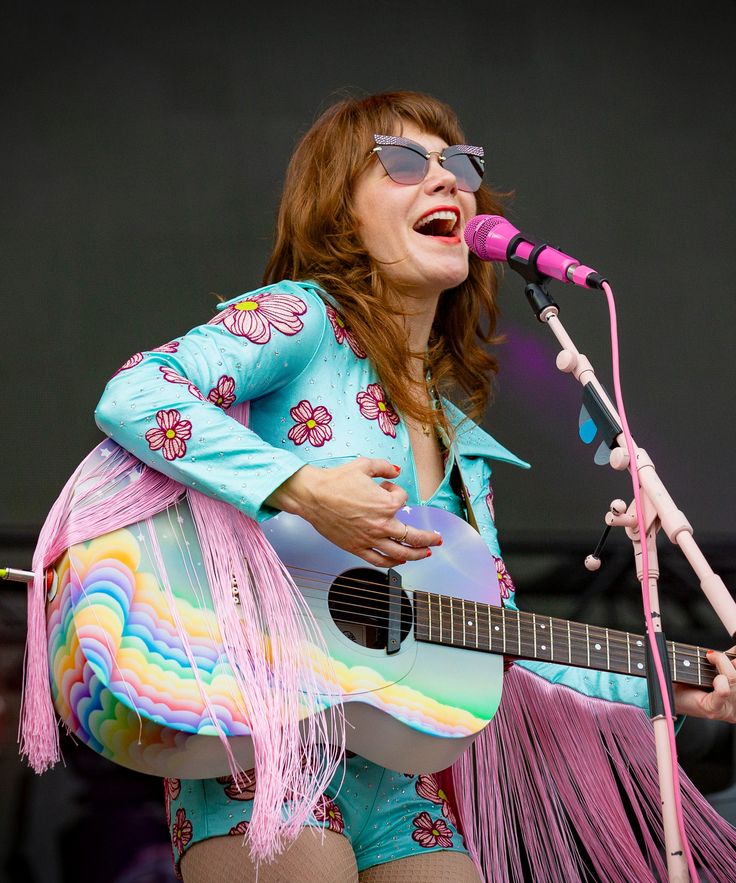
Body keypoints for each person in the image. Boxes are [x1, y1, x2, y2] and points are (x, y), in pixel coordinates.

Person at [26, 91, 736, 882]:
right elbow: (138, 392)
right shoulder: (300, 319)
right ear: (341, 214)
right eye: (403, 161)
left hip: (398, 774)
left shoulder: (460, 439)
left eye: (459, 164)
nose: (446, 181)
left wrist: (668, 676)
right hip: (262, 741)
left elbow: (496, 642)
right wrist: (299, 486)